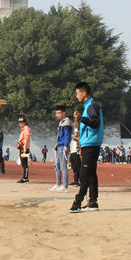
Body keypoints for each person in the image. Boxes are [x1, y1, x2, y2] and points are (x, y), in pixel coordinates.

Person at [69, 82, 104, 213]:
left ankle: (77, 203)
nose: (76, 96)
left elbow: (95, 123)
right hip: (89, 144)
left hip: (91, 144)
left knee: (84, 175)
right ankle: (93, 202)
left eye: (78, 93)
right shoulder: (88, 106)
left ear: (84, 93)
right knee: (91, 174)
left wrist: (81, 118)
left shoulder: (91, 106)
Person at [49, 106, 72, 192]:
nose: (57, 115)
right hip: (59, 146)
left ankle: (65, 186)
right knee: (57, 165)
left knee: (63, 165)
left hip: (63, 146)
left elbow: (67, 135)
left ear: (64, 112)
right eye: (56, 113)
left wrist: (66, 145)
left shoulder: (67, 122)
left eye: (59, 113)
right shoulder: (60, 123)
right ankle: (58, 184)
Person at [69, 108, 82, 187]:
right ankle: (75, 180)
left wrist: (74, 137)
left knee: (79, 166)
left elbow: (80, 139)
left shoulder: (79, 130)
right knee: (74, 167)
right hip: (73, 150)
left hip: (77, 150)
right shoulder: (74, 130)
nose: (74, 124)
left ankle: (81, 181)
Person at [16, 116, 31, 183]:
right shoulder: (23, 129)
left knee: (24, 164)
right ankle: (24, 177)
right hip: (22, 148)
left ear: (25, 122)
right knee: (23, 163)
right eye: (19, 122)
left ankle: (25, 178)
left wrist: (25, 148)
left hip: (25, 149)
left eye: (22, 122)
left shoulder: (26, 129)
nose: (20, 124)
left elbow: (26, 138)